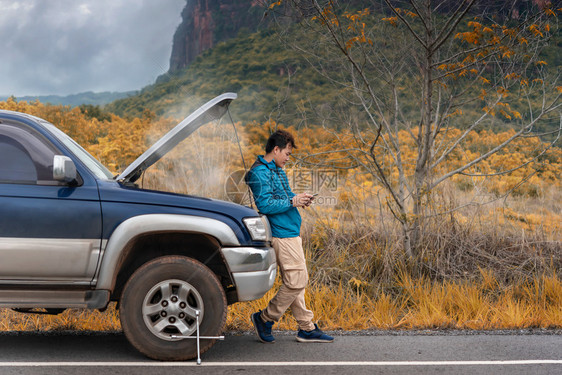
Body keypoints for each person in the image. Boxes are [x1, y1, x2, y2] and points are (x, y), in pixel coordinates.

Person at [245, 129, 334, 343]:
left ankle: (306, 327)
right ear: (276, 149)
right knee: (297, 281)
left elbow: (284, 197)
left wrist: (299, 198)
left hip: (290, 230)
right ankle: (265, 318)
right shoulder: (260, 173)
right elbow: (265, 204)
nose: (288, 158)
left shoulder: (276, 169)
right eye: (287, 153)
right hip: (281, 234)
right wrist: (292, 202)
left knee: (297, 282)